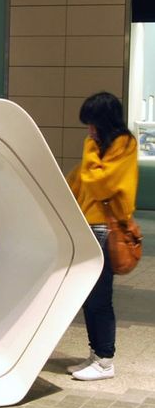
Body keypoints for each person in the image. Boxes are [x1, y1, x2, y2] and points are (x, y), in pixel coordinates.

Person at [66, 91, 138, 381]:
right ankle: (97, 354)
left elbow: (99, 185)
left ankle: (106, 360)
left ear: (103, 120)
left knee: (99, 298)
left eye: (92, 123)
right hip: (88, 227)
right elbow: (78, 182)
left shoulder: (124, 144)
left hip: (104, 230)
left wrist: (90, 150)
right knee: (89, 296)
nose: (89, 129)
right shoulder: (98, 146)